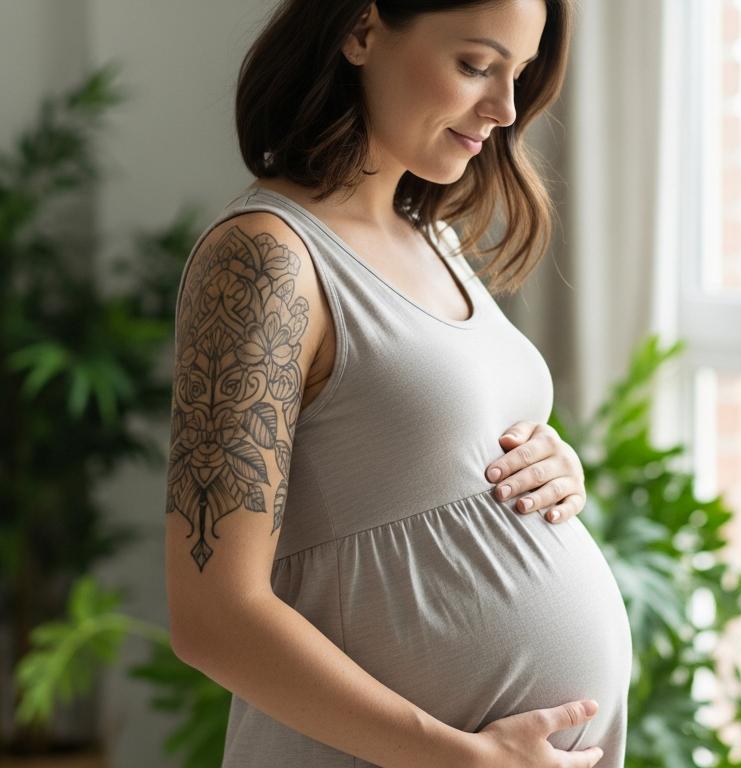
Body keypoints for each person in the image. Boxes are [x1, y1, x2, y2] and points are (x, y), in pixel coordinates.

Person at [163, 1, 631, 766]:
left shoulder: (430, 234)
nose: (505, 108)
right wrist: (457, 757)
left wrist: (553, 468)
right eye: (476, 66)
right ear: (361, 30)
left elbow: (411, 455)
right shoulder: (266, 260)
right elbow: (212, 614)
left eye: (518, 74)